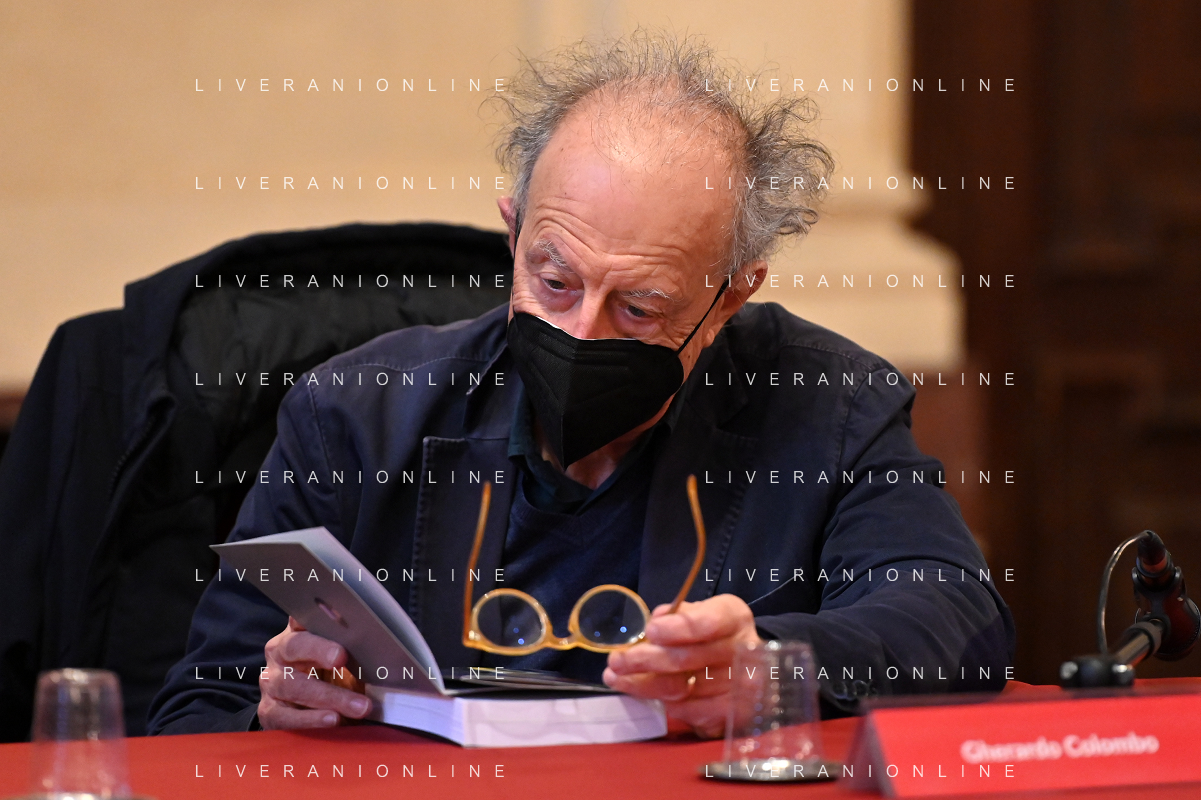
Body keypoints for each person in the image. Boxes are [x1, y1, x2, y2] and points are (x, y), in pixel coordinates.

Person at [148, 30, 1014, 738]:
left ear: (730, 297)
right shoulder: (354, 413)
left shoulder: (827, 405)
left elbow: (953, 617)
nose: (580, 332)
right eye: (554, 281)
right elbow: (197, 709)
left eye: (640, 306)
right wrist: (275, 708)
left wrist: (775, 666)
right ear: (513, 232)